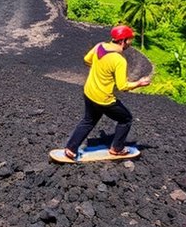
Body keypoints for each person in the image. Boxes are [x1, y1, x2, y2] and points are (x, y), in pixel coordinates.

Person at [63, 25, 151, 161]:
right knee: (126, 119)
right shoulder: (119, 60)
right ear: (123, 41)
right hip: (104, 99)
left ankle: (71, 148)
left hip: (89, 92)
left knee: (88, 120)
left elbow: (87, 59)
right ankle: (117, 149)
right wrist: (140, 83)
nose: (130, 43)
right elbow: (123, 86)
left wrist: (100, 69)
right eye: (129, 40)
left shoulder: (100, 46)